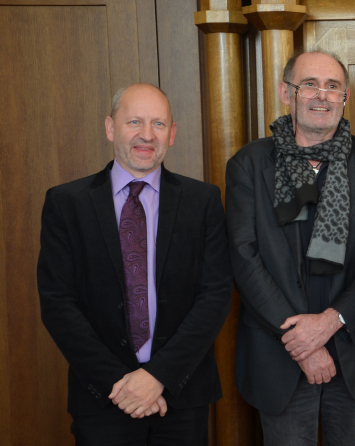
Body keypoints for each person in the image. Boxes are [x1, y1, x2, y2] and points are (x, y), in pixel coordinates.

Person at [37, 83, 233, 444]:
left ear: (172, 134)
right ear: (111, 128)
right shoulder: (67, 204)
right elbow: (57, 303)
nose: (146, 135)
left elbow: (215, 295)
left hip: (181, 395)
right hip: (103, 398)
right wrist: (121, 384)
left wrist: (158, 376)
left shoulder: (203, 201)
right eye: (134, 122)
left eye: (158, 124)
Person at [226, 50, 355, 446]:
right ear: (288, 92)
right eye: (310, 85)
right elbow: (243, 257)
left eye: (332, 86)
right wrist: (301, 342)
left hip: (354, 351)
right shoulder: (249, 165)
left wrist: (330, 323)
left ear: (345, 98)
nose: (322, 95)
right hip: (279, 356)